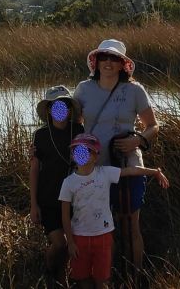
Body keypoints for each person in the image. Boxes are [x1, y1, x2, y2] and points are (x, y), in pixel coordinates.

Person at [73, 39, 159, 270]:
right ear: (96, 62)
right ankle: (106, 277)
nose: (108, 63)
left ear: (123, 65)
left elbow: (152, 125)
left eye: (114, 59)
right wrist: (42, 141)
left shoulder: (134, 90)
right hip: (93, 167)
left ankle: (135, 274)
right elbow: (69, 121)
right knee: (101, 224)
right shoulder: (84, 89)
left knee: (130, 223)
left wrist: (137, 140)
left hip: (128, 165)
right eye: (104, 58)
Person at [59, 133, 169, 289]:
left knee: (103, 279)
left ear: (96, 156)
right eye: (77, 150)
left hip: (103, 236)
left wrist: (155, 172)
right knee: (83, 279)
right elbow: (64, 215)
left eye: (86, 150)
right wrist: (70, 242)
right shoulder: (68, 182)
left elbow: (132, 170)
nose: (81, 153)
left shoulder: (105, 173)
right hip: (79, 237)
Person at [29, 85, 85, 287]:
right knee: (60, 244)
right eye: (55, 105)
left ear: (70, 110)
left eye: (64, 105)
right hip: (48, 198)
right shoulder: (40, 136)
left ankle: (61, 280)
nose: (60, 109)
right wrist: (33, 204)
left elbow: (84, 161)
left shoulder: (78, 131)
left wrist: (79, 156)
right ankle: (49, 269)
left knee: (72, 244)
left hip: (73, 199)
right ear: (48, 110)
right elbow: (34, 170)